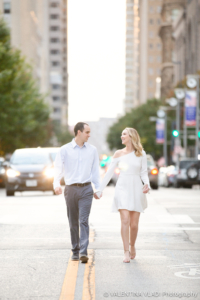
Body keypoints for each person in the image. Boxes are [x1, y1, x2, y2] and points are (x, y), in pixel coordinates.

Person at [96, 127, 150, 263]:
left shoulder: (141, 154)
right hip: (122, 187)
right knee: (125, 220)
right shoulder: (118, 153)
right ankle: (125, 251)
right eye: (122, 134)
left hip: (136, 187)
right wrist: (99, 189)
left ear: (131, 137)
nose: (122, 136)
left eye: (124, 134)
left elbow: (144, 172)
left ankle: (132, 246)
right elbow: (109, 173)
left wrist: (146, 183)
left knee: (134, 224)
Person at [53, 122, 101, 263]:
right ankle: (75, 249)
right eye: (87, 132)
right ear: (79, 132)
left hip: (86, 189)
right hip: (70, 189)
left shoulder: (92, 150)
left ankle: (83, 252)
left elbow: (95, 172)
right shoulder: (64, 150)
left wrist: (98, 189)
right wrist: (56, 184)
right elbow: (58, 169)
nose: (89, 135)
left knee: (83, 221)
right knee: (73, 221)